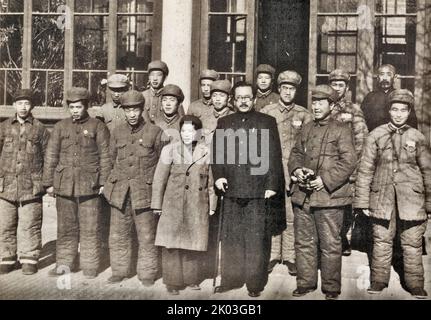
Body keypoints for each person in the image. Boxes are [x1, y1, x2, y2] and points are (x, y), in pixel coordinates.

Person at [354, 89, 430, 299]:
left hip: (411, 199)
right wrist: (362, 201)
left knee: (413, 241)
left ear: (409, 112)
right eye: (394, 109)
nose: (398, 114)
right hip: (382, 197)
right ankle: (379, 279)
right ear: (388, 110)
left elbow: (427, 171)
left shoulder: (417, 137)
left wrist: (429, 203)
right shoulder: (376, 135)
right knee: (381, 239)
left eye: (403, 110)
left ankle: (415, 284)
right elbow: (366, 170)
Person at [211, 81, 285, 297]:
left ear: (254, 99)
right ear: (233, 100)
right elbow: (218, 154)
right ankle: (231, 279)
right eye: (239, 97)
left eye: (247, 97)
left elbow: (274, 156)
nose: (243, 101)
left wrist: (272, 185)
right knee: (232, 238)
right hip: (231, 189)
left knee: (256, 239)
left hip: (258, 190)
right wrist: (219, 176)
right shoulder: (224, 122)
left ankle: (255, 282)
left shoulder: (266, 122)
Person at [288, 84, 357, 300]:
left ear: (332, 105)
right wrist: (297, 170)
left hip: (330, 197)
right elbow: (296, 153)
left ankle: (331, 288)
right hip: (303, 196)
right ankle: (305, 283)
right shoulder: (306, 128)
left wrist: (324, 180)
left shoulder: (342, 129)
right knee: (304, 241)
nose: (316, 106)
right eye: (314, 102)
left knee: (330, 244)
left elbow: (349, 162)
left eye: (321, 102)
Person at [43, 87, 111, 279]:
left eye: (78, 106)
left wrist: (103, 182)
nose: (75, 110)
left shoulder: (98, 126)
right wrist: (48, 182)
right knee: (66, 228)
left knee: (90, 228)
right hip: (64, 185)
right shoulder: (60, 127)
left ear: (86, 106)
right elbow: (51, 155)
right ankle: (65, 264)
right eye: (72, 107)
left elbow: (106, 156)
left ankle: (90, 265)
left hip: (90, 186)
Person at [103, 90, 165, 286]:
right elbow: (110, 160)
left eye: (135, 110)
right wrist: (108, 185)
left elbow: (162, 164)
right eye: (128, 110)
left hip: (144, 192)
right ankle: (119, 270)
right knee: (118, 234)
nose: (132, 114)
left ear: (141, 110)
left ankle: (147, 273)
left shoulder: (155, 132)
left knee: (147, 236)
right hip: (120, 191)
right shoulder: (117, 132)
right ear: (123, 111)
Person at [151, 115, 217, 295]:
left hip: (197, 203)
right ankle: (172, 281)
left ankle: (191, 279)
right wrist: (157, 204)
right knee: (171, 243)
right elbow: (159, 179)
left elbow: (211, 180)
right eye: (184, 131)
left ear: (198, 133)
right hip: (173, 203)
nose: (187, 134)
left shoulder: (206, 151)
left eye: (192, 131)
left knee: (193, 241)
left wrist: (212, 204)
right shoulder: (170, 150)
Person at [260, 70, 313, 275]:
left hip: (293, 170)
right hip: (272, 168)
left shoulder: (304, 114)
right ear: (279, 89)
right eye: (285, 88)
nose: (288, 92)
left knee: (291, 213)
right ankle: (273, 255)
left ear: (296, 91)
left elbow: (308, 145)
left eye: (292, 89)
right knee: (273, 211)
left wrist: (299, 170)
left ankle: (290, 256)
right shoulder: (268, 111)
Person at [0, 89, 49, 275]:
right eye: (19, 103)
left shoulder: (40, 129)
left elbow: (48, 157)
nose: (23, 107)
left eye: (27, 103)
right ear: (13, 105)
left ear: (32, 106)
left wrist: (46, 182)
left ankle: (29, 257)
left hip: (32, 186)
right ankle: (7, 256)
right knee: (5, 223)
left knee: (31, 223)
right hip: (6, 184)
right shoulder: (4, 127)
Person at [328, 68, 369, 256]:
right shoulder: (323, 106)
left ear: (346, 88)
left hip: (347, 165)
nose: (337, 89)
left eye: (340, 85)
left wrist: (354, 168)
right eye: (334, 84)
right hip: (327, 165)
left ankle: (343, 239)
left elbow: (361, 140)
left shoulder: (353, 110)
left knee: (345, 206)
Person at [361, 64, 417, 132]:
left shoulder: (401, 96)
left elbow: (412, 122)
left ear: (395, 77)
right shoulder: (369, 97)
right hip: (375, 137)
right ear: (378, 78)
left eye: (388, 74)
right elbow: (362, 121)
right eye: (382, 74)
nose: (385, 78)